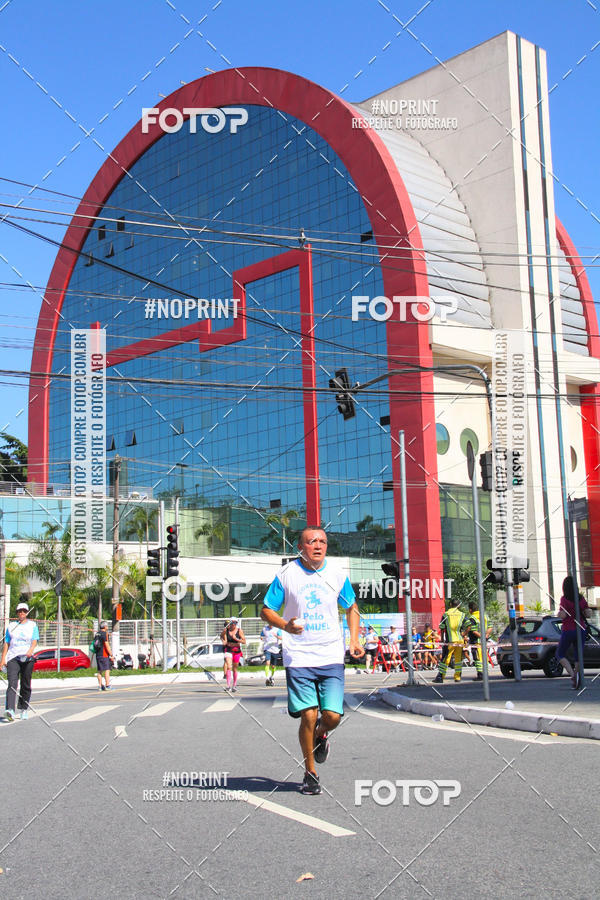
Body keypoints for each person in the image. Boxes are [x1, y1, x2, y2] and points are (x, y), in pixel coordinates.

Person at [261, 526, 364, 795]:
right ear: (301, 547)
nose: (318, 545)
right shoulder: (287, 574)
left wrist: (354, 640)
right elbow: (266, 610)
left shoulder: (337, 574)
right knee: (308, 715)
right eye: (311, 541)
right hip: (299, 656)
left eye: (322, 541)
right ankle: (310, 773)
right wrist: (285, 625)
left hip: (330, 654)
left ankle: (321, 734)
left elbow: (351, 608)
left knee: (331, 716)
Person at [1, 601, 39, 721]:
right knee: (12, 683)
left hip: (27, 658)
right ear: (17, 613)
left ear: (27, 612)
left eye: (24, 611)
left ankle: (23, 709)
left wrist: (30, 650)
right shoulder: (11, 626)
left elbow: (34, 641)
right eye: (19, 611)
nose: (22, 613)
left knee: (25, 684)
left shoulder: (32, 625)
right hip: (13, 657)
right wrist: (3, 659)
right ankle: (10, 710)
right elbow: (6, 643)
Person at [556, 575, 591, 689]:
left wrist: (559, 614)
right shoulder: (581, 598)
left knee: (560, 654)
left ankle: (572, 675)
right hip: (581, 629)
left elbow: (563, 615)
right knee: (578, 656)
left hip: (568, 629)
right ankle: (577, 678)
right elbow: (587, 613)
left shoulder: (564, 599)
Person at [434, 599, 466, 683]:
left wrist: (441, 639)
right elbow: (467, 625)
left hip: (450, 641)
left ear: (451, 604)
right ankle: (457, 677)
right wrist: (464, 635)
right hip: (460, 641)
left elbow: (442, 627)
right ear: (458, 605)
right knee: (458, 660)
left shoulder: (446, 614)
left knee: (445, 659)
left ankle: (440, 677)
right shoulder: (462, 614)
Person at [464, 601, 492, 681]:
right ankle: (486, 674)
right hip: (484, 642)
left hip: (476, 642)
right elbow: (490, 626)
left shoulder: (472, 618)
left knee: (477, 659)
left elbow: (473, 631)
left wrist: (482, 637)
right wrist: (486, 636)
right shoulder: (485, 615)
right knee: (484, 658)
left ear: (470, 610)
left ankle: (480, 675)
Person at [220, 618, 245, 692]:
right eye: (231, 623)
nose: (232, 625)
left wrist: (236, 639)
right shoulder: (226, 630)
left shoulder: (239, 631)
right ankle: (228, 686)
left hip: (236, 650)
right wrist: (223, 641)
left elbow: (244, 641)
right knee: (229, 667)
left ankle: (234, 685)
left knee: (234, 669)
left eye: (234, 623)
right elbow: (221, 636)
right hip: (228, 650)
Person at [95, 621, 114, 691]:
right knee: (107, 670)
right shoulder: (104, 633)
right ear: (105, 627)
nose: (107, 627)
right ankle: (107, 685)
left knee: (99, 671)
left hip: (98, 654)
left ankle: (100, 686)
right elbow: (106, 645)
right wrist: (111, 655)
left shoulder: (97, 634)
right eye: (107, 626)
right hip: (104, 654)